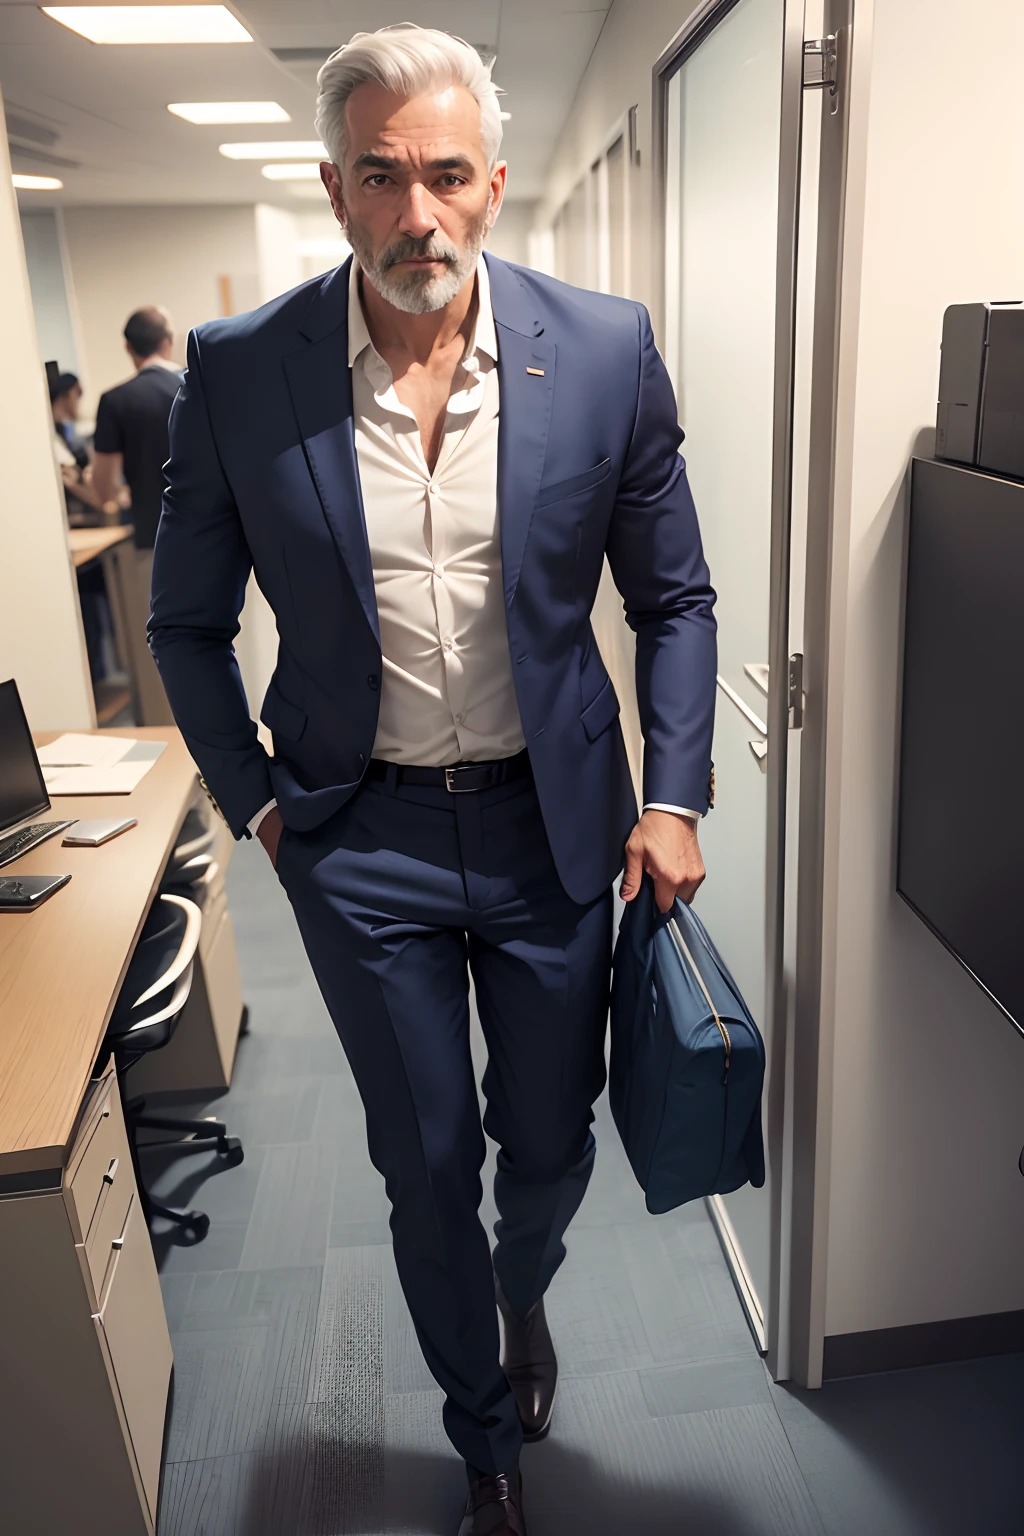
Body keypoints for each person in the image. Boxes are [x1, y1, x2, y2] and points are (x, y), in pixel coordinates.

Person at [150, 24, 716, 1535]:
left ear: (495, 185)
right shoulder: (243, 370)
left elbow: (676, 599)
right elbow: (184, 625)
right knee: (424, 1166)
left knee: (549, 1141)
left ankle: (520, 1293)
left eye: (447, 177)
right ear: (336, 190)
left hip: (553, 834)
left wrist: (674, 798)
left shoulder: (600, 350)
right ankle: (483, 1443)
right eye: (383, 178)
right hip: (359, 841)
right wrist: (257, 797)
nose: (419, 215)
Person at [93, 306, 181, 724]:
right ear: (169, 340)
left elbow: (104, 489)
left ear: (128, 348)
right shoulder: (197, 385)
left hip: (151, 541)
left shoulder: (116, 401)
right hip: (224, 539)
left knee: (161, 658)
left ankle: (173, 760)